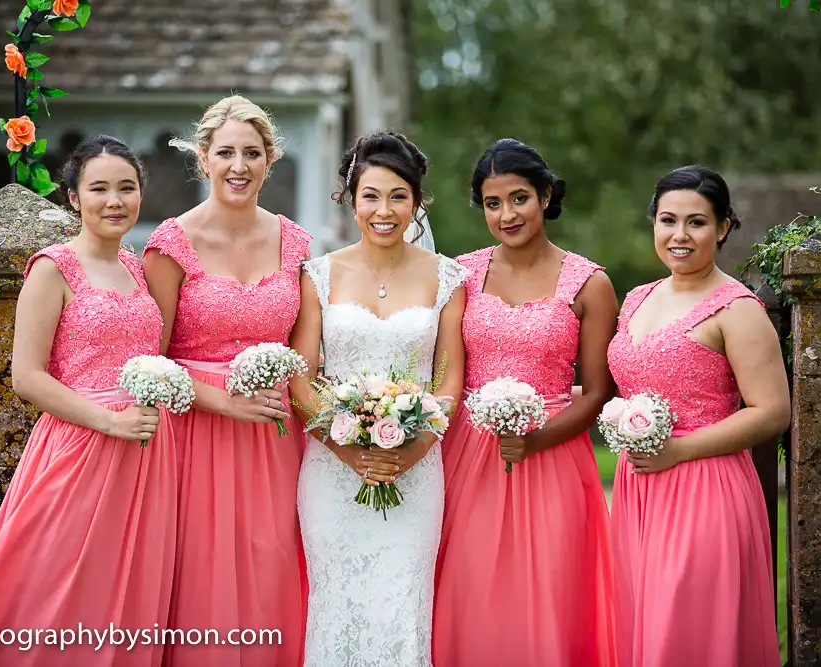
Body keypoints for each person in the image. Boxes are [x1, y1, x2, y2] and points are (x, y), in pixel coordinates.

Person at [0, 136, 175, 667]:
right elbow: (27, 377)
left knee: (122, 594)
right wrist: (108, 421)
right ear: (72, 198)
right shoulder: (52, 268)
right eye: (99, 189)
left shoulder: (135, 266)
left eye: (126, 188)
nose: (115, 201)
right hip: (80, 449)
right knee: (52, 587)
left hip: (147, 456)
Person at [433, 138, 618, 666]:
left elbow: (599, 390)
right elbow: (446, 370)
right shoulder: (460, 275)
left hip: (555, 455)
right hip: (467, 457)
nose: (507, 214)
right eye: (493, 203)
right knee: (470, 588)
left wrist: (536, 440)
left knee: (551, 589)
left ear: (546, 195)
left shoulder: (590, 283)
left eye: (519, 199)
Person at [142, 96, 310, 666]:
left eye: (252, 153)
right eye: (226, 153)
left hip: (276, 435)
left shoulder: (298, 243)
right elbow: (150, 362)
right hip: (192, 437)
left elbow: (307, 351)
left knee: (273, 566)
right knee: (200, 571)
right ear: (204, 160)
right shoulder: (170, 244)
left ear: (270, 161)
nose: (239, 165)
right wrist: (222, 402)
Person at [289, 130, 467, 667]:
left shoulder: (447, 278)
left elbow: (449, 379)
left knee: (402, 606)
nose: (384, 210)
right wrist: (347, 449)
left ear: (417, 202)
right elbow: (300, 377)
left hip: (415, 470)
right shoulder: (319, 274)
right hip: (332, 470)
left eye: (398, 196)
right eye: (371, 195)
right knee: (335, 603)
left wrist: (409, 451)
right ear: (350, 196)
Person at [607, 165, 789, 667]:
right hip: (638, 489)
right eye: (668, 221)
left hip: (704, 487)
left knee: (685, 633)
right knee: (644, 624)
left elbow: (773, 411)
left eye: (696, 223)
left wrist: (680, 449)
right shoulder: (637, 298)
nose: (679, 236)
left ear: (723, 227)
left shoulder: (737, 309)